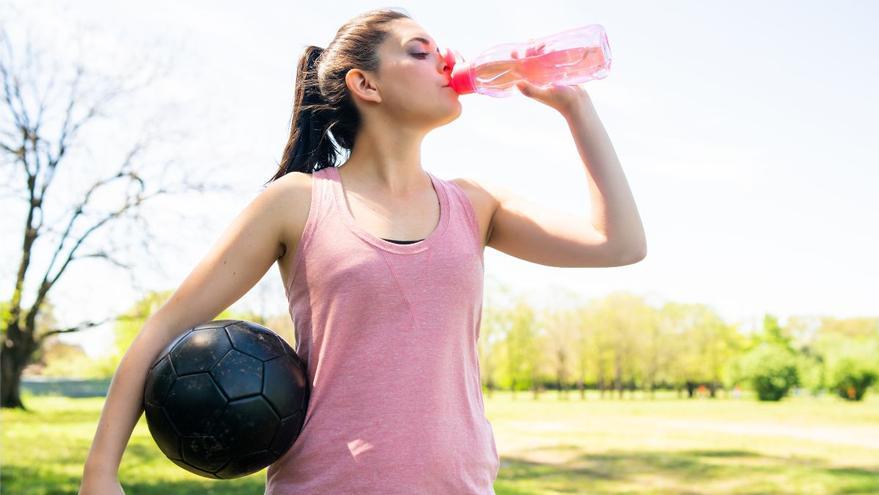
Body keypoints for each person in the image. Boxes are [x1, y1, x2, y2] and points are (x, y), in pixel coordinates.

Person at [79, 7, 646, 495]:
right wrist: (100, 473)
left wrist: (576, 109)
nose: (447, 60)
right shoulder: (296, 202)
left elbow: (619, 244)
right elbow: (164, 329)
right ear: (365, 85)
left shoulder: (476, 205)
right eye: (420, 51)